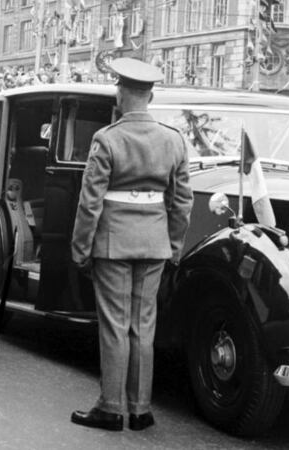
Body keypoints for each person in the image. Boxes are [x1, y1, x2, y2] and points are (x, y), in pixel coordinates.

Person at [70, 57, 193, 432]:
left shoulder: (107, 139)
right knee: (143, 327)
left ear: (120, 94)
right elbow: (182, 201)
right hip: (154, 242)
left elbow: (90, 202)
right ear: (150, 96)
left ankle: (110, 407)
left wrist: (80, 248)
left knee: (115, 326)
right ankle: (140, 410)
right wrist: (173, 246)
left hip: (113, 243)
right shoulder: (173, 139)